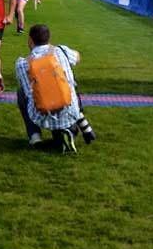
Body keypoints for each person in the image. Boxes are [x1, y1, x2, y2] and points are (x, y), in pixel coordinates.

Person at [15, 23, 96, 153]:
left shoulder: (22, 63)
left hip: (41, 115)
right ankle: (82, 126)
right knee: (70, 84)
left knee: (21, 93)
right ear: (49, 38)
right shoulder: (61, 51)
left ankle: (35, 137)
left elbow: (29, 94)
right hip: (70, 111)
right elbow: (78, 57)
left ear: (30, 40)